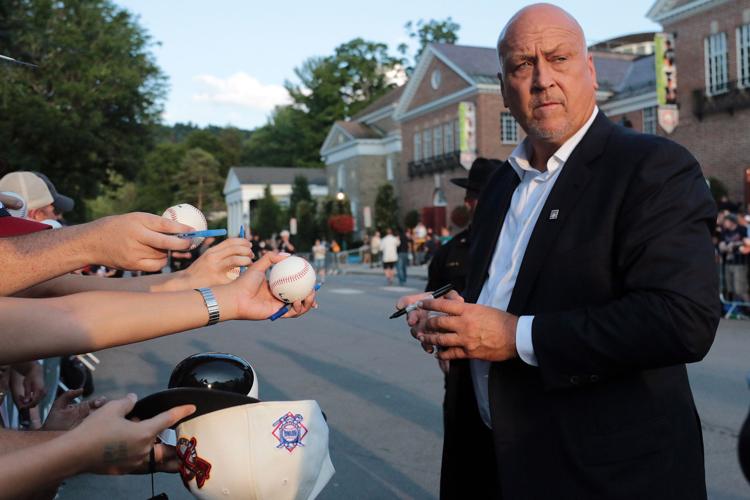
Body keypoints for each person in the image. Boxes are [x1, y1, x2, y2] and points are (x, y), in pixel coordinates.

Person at [399, 4, 718, 499]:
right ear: (504, 88)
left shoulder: (652, 168)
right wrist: (448, 315)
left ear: (589, 69)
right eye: (522, 65)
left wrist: (515, 336)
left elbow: (681, 320)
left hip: (604, 477)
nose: (542, 79)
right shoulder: (503, 185)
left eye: (558, 58)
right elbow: (503, 292)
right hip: (491, 465)